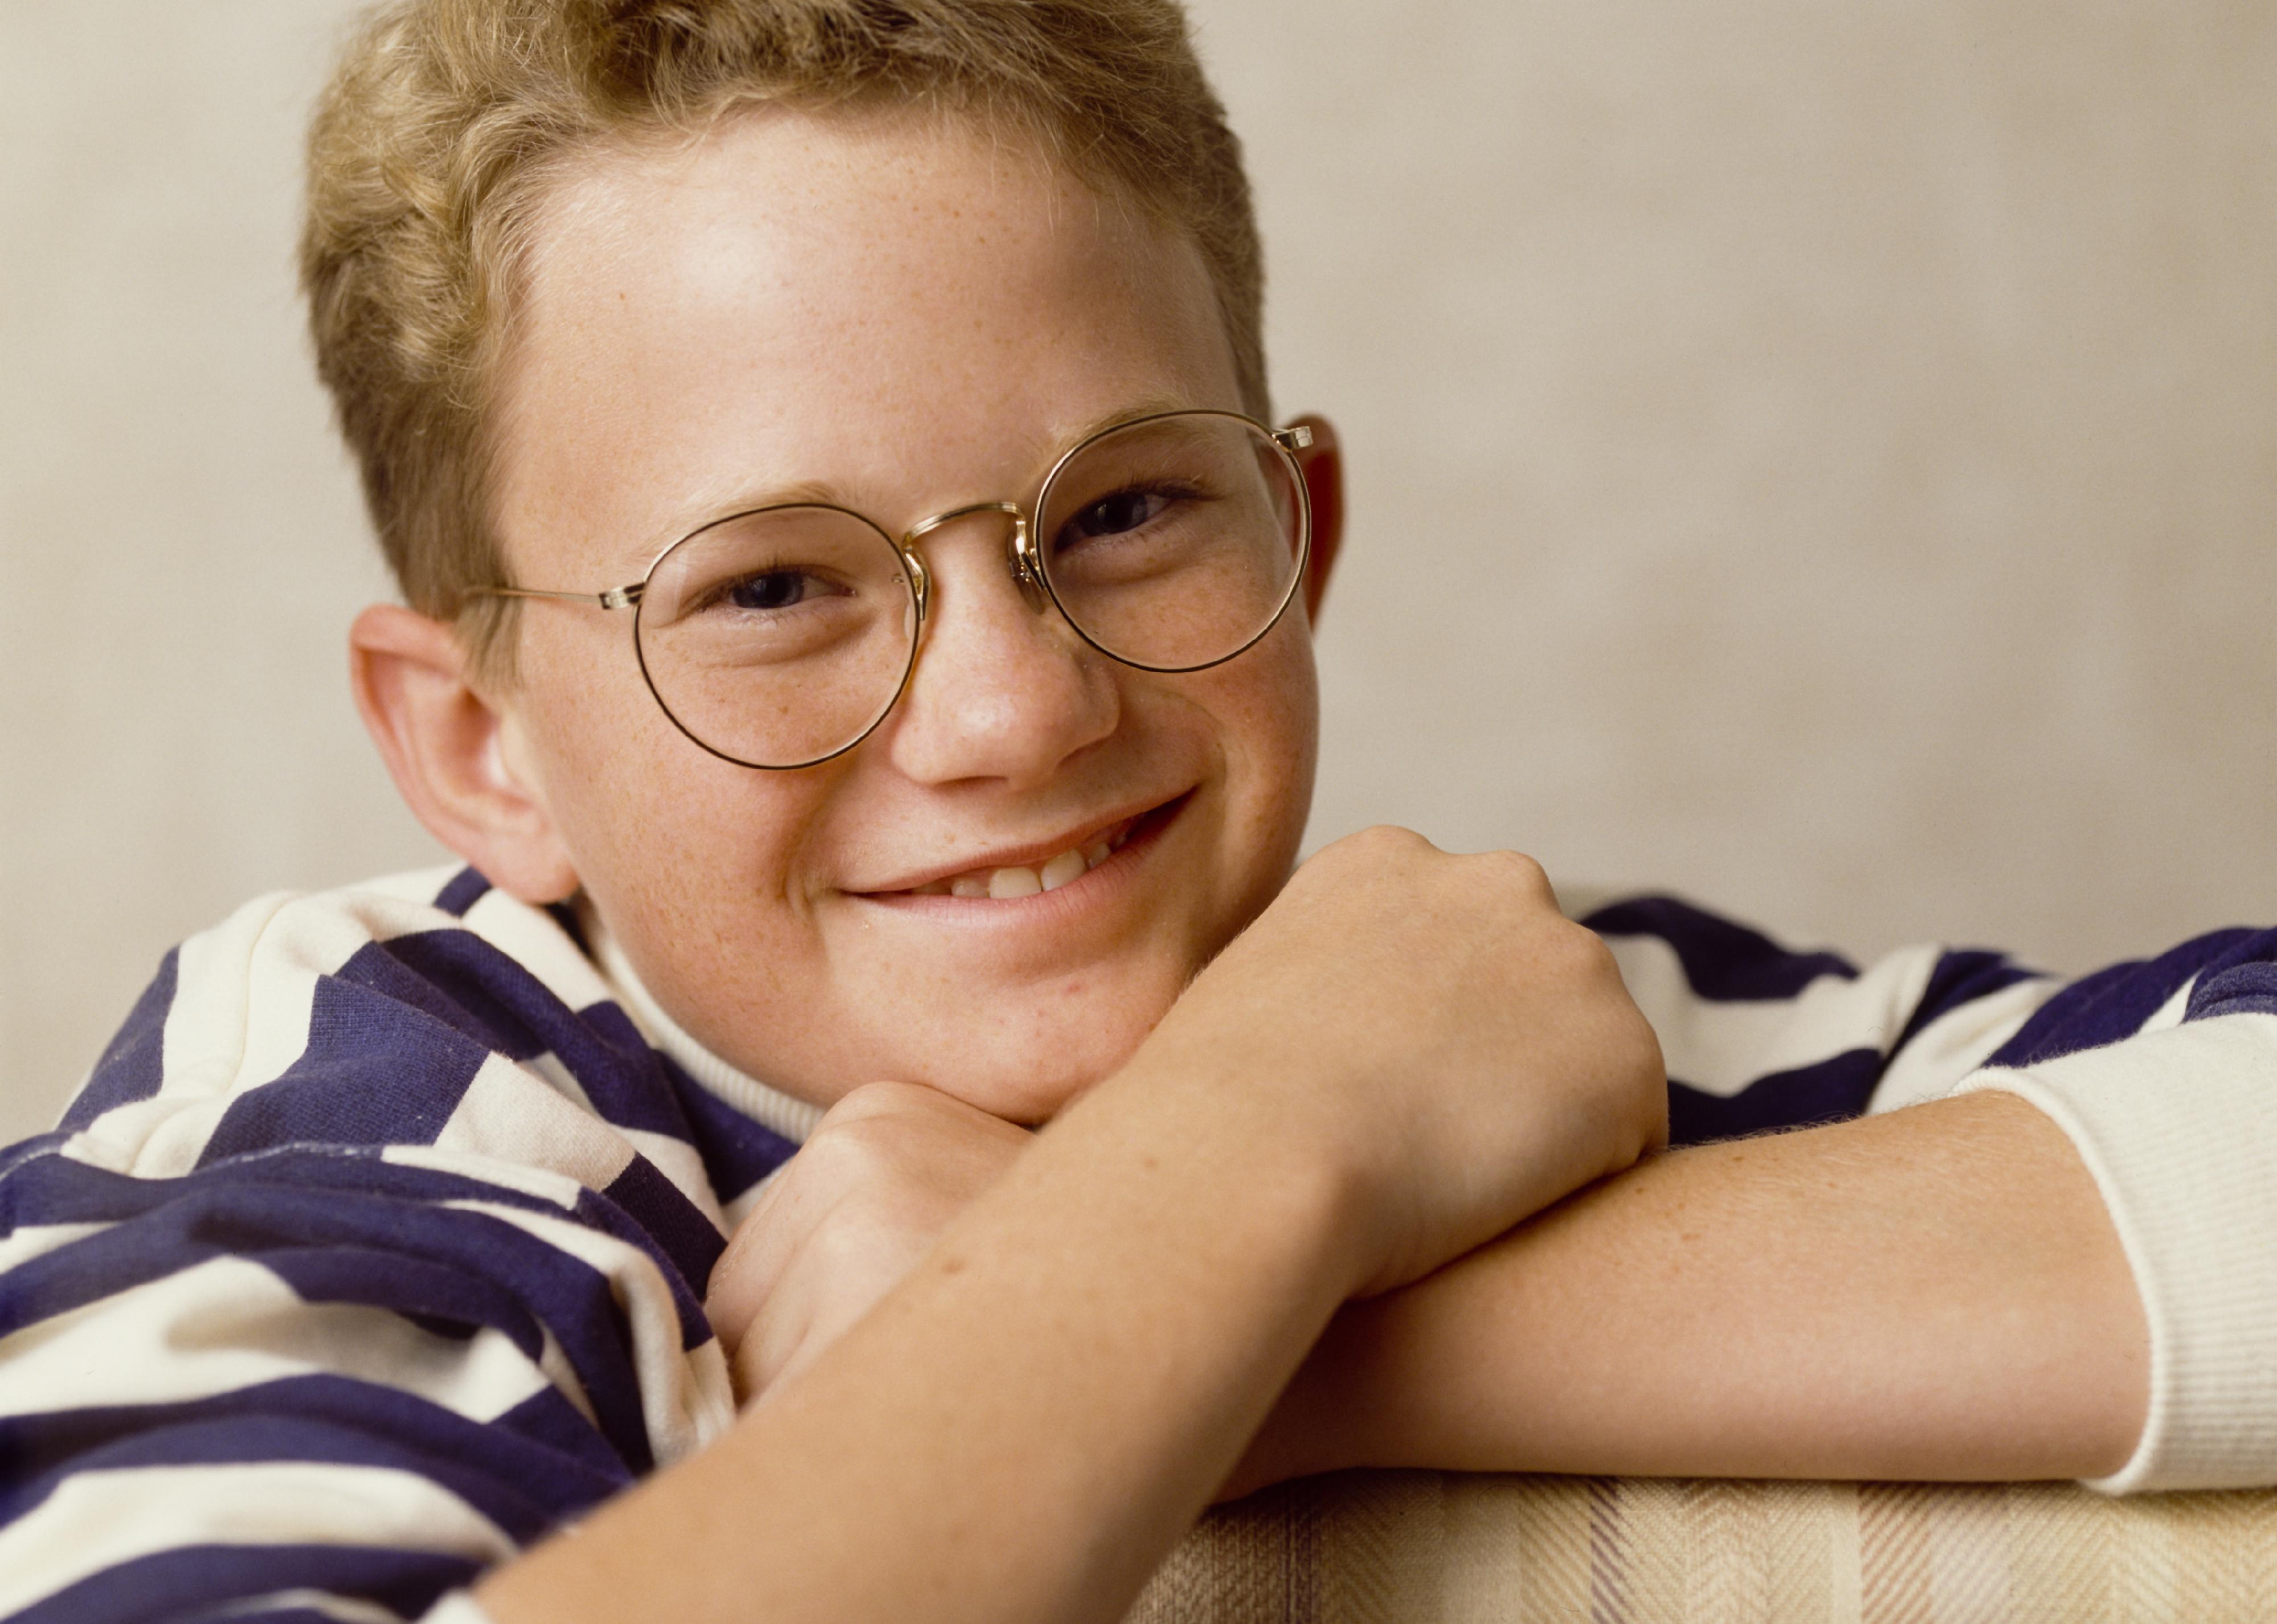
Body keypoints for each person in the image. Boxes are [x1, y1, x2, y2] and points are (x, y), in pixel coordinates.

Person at [3, 2, 2274, 1621]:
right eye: (774, 584)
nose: (1010, 706)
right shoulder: (347, 1129)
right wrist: (1239, 1172)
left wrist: (1281, 1243)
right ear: (478, 743)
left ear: (1305, 530)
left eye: (1122, 513)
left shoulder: (1481, 1019)